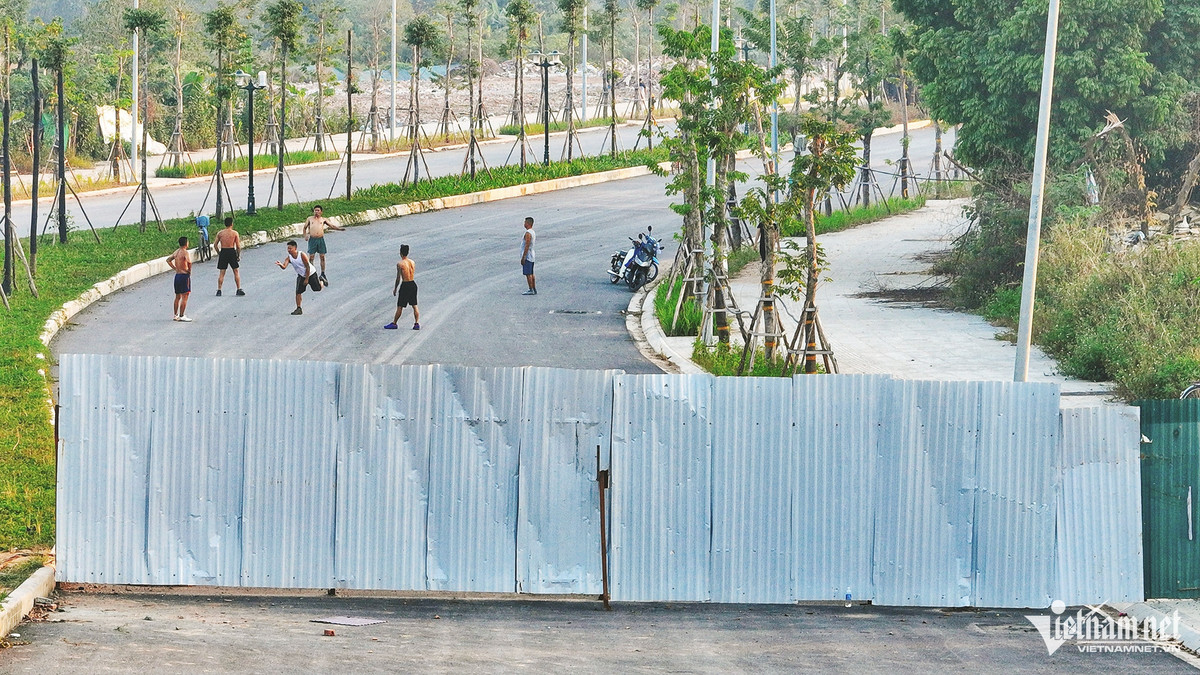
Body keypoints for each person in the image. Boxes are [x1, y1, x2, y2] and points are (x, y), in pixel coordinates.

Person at [302, 205, 345, 286]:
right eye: (315, 210)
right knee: (311, 257)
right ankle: (312, 273)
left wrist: (339, 229)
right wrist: (305, 236)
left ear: (321, 212)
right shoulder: (310, 219)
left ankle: (323, 273)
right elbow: (304, 228)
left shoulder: (323, 219)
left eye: (318, 210)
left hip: (320, 240)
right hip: (312, 240)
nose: (316, 212)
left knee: (322, 256)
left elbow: (331, 225)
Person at [385, 244, 420, 330]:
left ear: (400, 253)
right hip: (413, 283)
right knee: (414, 305)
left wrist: (395, 288)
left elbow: (398, 278)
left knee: (400, 305)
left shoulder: (400, 264)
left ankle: (394, 323)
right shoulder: (412, 262)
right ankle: (416, 323)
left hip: (405, 285)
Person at [275, 240, 314, 315]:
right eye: (288, 249)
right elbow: (284, 267)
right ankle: (299, 308)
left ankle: (321, 281)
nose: (289, 250)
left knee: (317, 289)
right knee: (298, 292)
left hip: (311, 273)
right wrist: (280, 264)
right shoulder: (289, 258)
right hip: (301, 275)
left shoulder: (302, 255)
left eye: (290, 248)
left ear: (295, 248)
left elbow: (307, 267)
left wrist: (307, 279)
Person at [214, 216, 245, 296]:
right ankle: (238, 289)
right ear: (232, 224)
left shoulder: (220, 233)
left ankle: (219, 290)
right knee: (236, 271)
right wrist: (238, 255)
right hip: (231, 251)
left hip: (223, 251)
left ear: (225, 224)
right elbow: (238, 246)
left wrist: (219, 253)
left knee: (222, 272)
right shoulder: (234, 233)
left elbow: (215, 245)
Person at [166, 236, 192, 322]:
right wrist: (189, 271)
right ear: (186, 243)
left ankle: (175, 315)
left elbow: (168, 260)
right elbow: (189, 262)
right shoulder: (185, 252)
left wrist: (175, 268)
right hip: (184, 275)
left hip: (177, 275)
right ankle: (182, 315)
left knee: (177, 296)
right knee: (185, 296)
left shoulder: (176, 252)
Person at [520, 216, 537, 295]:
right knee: (531, 273)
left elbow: (527, 245)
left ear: (528, 223)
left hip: (528, 256)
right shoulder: (532, 232)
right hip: (532, 255)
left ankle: (531, 289)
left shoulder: (528, 233)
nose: (524, 224)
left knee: (528, 273)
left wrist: (524, 257)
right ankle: (533, 288)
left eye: (525, 222)